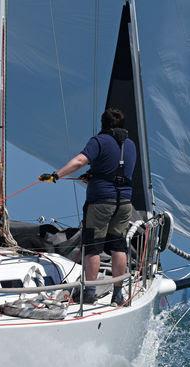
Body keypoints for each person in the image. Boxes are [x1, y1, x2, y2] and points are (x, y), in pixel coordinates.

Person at [39, 108, 136, 306]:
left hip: (101, 201)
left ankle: (89, 293)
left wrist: (56, 175)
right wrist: (95, 173)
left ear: (103, 123)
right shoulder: (131, 144)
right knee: (118, 245)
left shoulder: (99, 141)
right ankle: (118, 293)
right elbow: (117, 166)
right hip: (125, 202)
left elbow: (80, 160)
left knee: (93, 246)